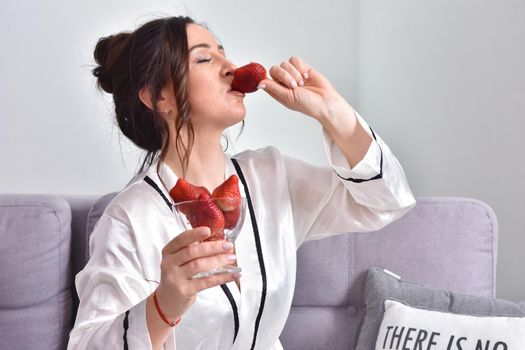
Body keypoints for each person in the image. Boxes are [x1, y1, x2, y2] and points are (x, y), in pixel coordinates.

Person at [68, 15, 416, 350]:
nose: (230, 67)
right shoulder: (129, 218)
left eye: (223, 51)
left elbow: (386, 201)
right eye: (204, 58)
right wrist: (162, 306)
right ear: (160, 97)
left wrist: (332, 111)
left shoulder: (272, 177)